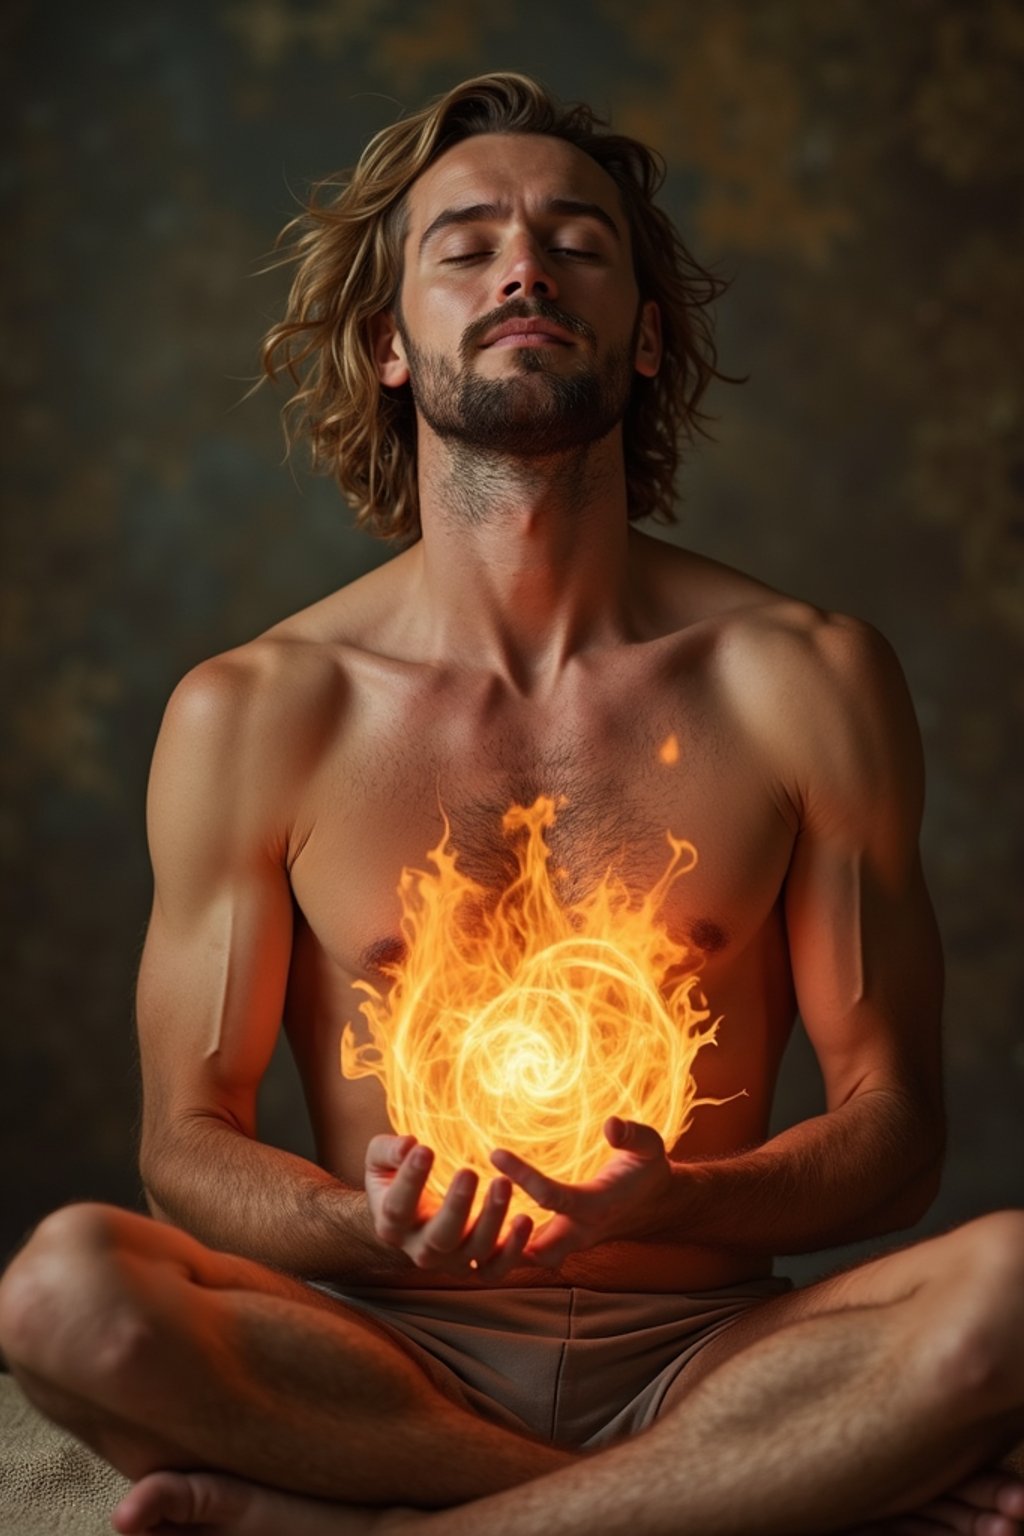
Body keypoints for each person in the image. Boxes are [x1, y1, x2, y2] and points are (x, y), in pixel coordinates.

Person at [1, 71, 1022, 1536]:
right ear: (391, 345)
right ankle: (739, 1509)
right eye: (466, 243)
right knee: (65, 1294)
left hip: (708, 1344)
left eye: (578, 243)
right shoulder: (258, 710)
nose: (526, 266)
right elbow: (186, 1142)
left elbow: (898, 1134)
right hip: (387, 1347)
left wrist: (674, 1204)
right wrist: (365, 1228)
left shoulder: (807, 678)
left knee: (1012, 1291)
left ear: (649, 335)